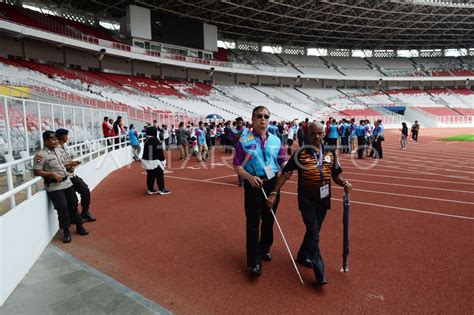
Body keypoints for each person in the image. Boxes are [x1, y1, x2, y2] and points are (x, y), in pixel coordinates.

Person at [266, 122, 352, 285]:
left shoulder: (331, 153)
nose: (318, 137)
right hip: (306, 200)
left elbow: (336, 176)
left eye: (320, 133)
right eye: (314, 134)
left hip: (324, 199)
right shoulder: (300, 153)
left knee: (314, 230)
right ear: (308, 135)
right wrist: (274, 192)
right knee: (314, 232)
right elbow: (285, 174)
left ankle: (302, 254)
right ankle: (319, 272)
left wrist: (345, 183)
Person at [233, 106, 287, 277]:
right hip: (254, 184)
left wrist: (286, 169)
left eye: (266, 116)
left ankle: (264, 249)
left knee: (269, 220)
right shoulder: (244, 140)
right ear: (253, 119)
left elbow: (282, 161)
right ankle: (254, 261)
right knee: (253, 223)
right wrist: (248, 177)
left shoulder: (276, 140)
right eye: (259, 116)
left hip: (272, 184)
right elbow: (237, 167)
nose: (263, 119)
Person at [33, 131, 89, 243]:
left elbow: (61, 164)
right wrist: (51, 174)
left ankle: (79, 226)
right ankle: (66, 231)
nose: (55, 141)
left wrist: (70, 165)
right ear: (45, 141)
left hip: (67, 183)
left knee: (73, 204)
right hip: (54, 186)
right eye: (52, 140)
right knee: (62, 208)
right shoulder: (41, 155)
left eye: (56, 139)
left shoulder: (58, 151)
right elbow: (36, 171)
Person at [55, 128, 97, 222]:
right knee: (72, 199)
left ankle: (85, 212)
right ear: (61, 136)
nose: (67, 137)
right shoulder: (56, 149)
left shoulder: (64, 146)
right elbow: (58, 163)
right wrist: (70, 164)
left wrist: (72, 163)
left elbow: (67, 159)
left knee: (85, 190)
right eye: (66, 135)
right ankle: (74, 217)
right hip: (65, 177)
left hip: (72, 174)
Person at [141, 127, 171, 195]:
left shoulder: (146, 139)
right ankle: (162, 189)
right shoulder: (155, 140)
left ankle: (150, 189)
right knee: (159, 174)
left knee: (150, 175)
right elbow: (159, 150)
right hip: (154, 160)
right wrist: (163, 159)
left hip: (146, 159)